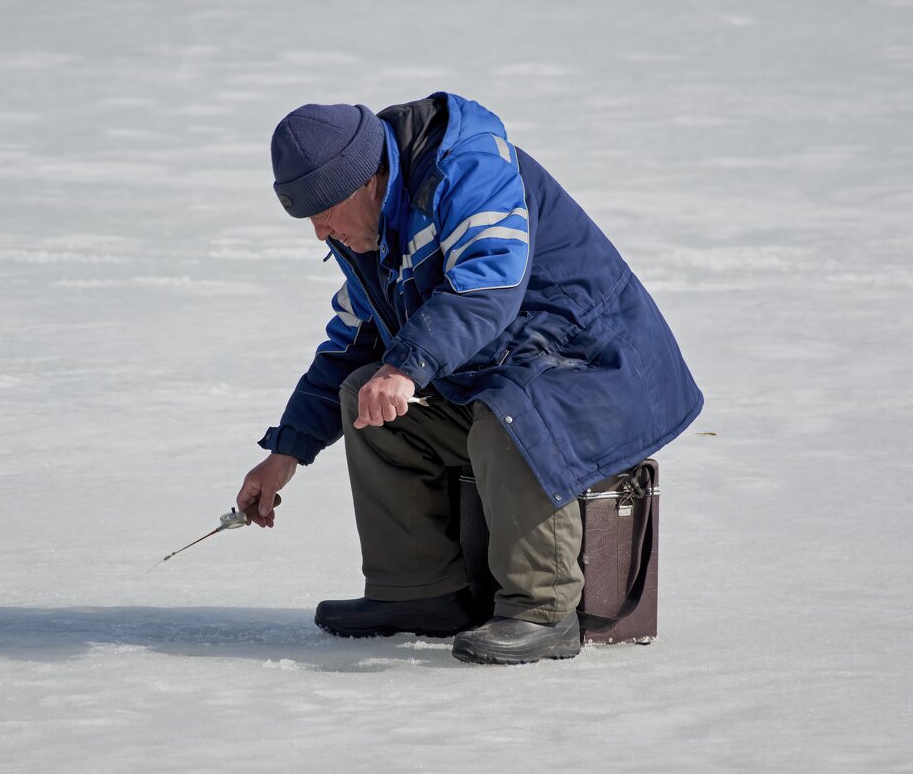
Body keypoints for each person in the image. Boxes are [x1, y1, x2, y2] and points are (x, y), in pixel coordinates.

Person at [236, 92, 703, 665]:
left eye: (324, 211)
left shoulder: (467, 166)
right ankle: (419, 594)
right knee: (368, 398)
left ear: (365, 181)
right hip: (509, 369)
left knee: (505, 414)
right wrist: (285, 452)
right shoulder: (366, 232)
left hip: (598, 370)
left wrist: (406, 366)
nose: (319, 232)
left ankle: (542, 611)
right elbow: (352, 343)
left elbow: (489, 285)